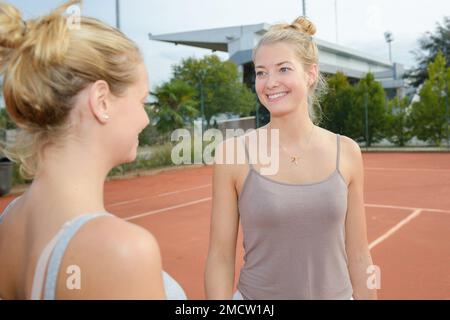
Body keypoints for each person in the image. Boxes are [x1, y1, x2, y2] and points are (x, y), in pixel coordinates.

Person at [0, 0, 185, 300]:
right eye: (141, 101)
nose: (146, 118)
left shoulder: (10, 219)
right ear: (101, 101)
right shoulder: (120, 251)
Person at [205, 16, 377, 300]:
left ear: (310, 74)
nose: (270, 83)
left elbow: (360, 255)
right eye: (261, 72)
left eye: (283, 69)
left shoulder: (347, 152)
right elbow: (220, 256)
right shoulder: (232, 154)